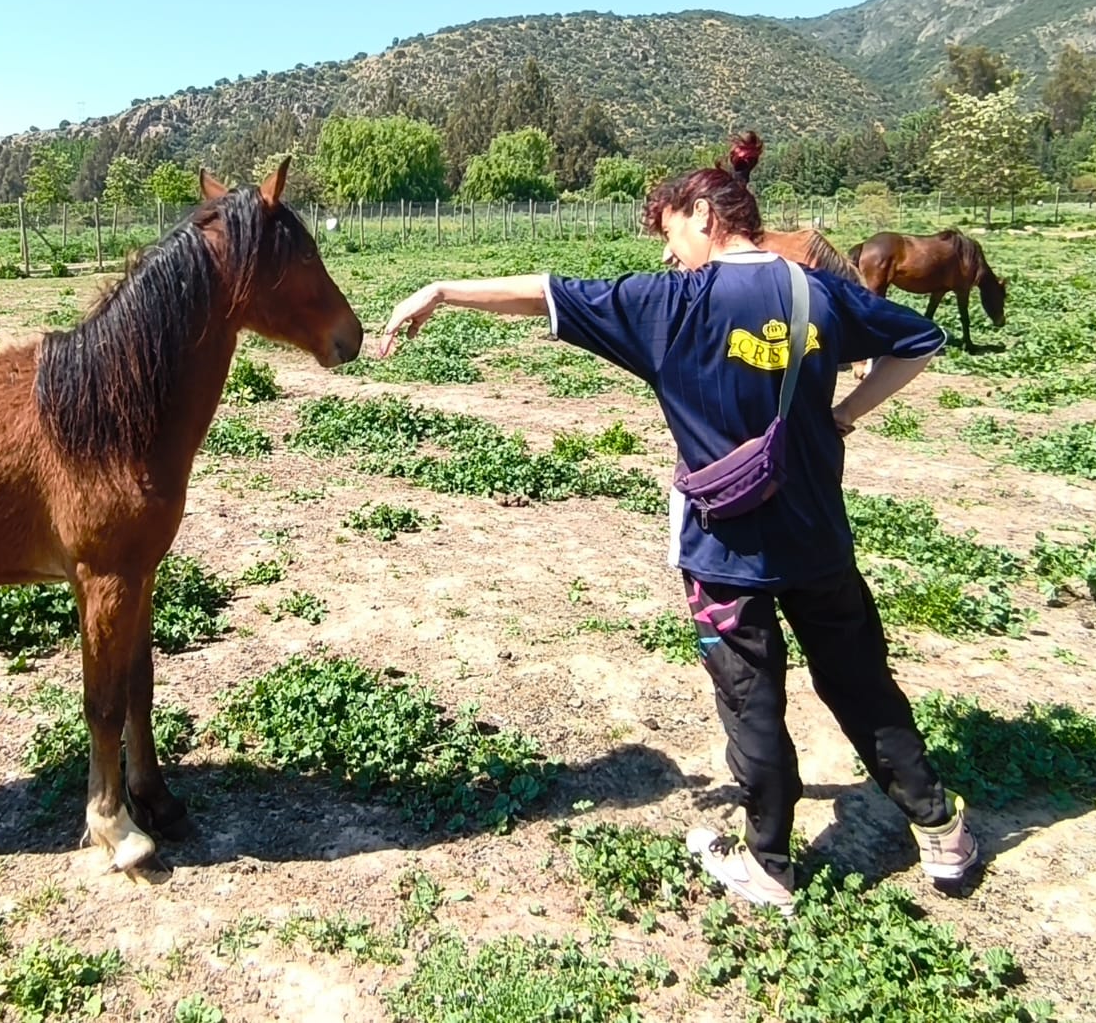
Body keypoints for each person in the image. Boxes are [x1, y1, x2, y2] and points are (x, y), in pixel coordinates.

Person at [378, 159, 980, 912]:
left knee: (751, 702)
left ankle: (771, 863)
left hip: (723, 554)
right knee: (862, 684)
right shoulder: (816, 288)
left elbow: (548, 292)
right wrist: (845, 411)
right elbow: (919, 339)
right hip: (819, 539)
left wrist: (442, 290)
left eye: (671, 233)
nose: (667, 254)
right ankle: (942, 830)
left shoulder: (670, 304)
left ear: (704, 213)